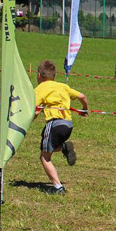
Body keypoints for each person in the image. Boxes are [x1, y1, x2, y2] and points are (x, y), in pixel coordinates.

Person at [35, 60, 89, 195]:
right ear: (54, 76)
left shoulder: (39, 89)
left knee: (45, 156)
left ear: (39, 75)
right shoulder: (62, 86)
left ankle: (58, 188)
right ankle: (64, 147)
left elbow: (35, 110)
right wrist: (84, 109)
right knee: (49, 146)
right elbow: (82, 96)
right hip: (68, 125)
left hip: (54, 124)